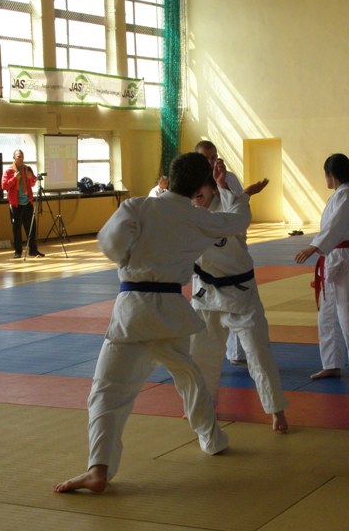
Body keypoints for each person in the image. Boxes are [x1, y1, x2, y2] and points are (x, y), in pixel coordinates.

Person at [54, 152, 252, 494]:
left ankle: (98, 468)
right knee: (189, 377)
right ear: (200, 188)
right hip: (172, 313)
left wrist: (130, 258)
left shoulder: (137, 207)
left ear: (169, 178)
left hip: (134, 311)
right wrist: (235, 193)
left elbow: (109, 243)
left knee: (108, 391)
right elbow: (237, 221)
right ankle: (212, 438)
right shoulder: (199, 217)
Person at [190, 175, 289, 432]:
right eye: (192, 191)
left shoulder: (232, 209)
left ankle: (276, 409)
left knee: (258, 354)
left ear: (212, 188)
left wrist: (231, 189)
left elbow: (240, 207)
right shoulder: (185, 214)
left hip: (240, 295)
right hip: (205, 296)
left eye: (201, 190)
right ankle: (204, 405)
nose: (197, 195)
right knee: (202, 356)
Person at [294, 153, 349, 385]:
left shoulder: (348, 196)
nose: (325, 178)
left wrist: (313, 247)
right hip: (332, 258)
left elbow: (335, 226)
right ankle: (331, 364)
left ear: (331, 174)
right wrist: (318, 248)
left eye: (325, 174)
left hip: (346, 259)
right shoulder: (338, 196)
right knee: (328, 316)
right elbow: (331, 227)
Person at [195, 139, 247, 366]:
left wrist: (221, 186)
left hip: (229, 244)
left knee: (236, 303)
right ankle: (203, 356)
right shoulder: (192, 181)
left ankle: (236, 352)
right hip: (204, 249)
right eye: (206, 157)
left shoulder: (229, 178)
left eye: (213, 156)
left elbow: (238, 209)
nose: (211, 161)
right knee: (205, 307)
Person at [1, 149, 44, 259]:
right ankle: (18, 251)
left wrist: (31, 178)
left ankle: (33, 250)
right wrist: (14, 179)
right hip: (15, 204)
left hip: (27, 203)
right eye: (19, 156)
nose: (21, 158)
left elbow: (32, 183)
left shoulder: (27, 169)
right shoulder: (9, 171)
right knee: (16, 229)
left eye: (22, 156)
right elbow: (4, 186)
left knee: (31, 228)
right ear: (14, 158)